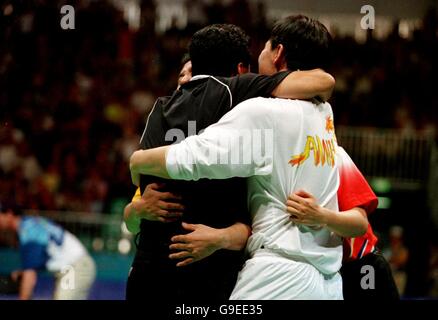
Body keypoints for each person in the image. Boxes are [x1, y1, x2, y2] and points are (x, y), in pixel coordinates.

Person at [129, 15, 369, 299]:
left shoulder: (263, 111)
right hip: (327, 282)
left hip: (279, 277)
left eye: (265, 48)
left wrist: (139, 160)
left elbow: (196, 157)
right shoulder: (324, 115)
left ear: (278, 52)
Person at [286, 146, 400, 300]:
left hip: (362, 266)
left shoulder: (334, 154)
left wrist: (321, 216)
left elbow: (360, 224)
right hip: (321, 271)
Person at [0, 202, 96, 300]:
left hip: (74, 267)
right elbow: (43, 258)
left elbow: (30, 275)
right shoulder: (31, 224)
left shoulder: (29, 232)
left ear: (9, 214)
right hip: (75, 266)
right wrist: (24, 273)